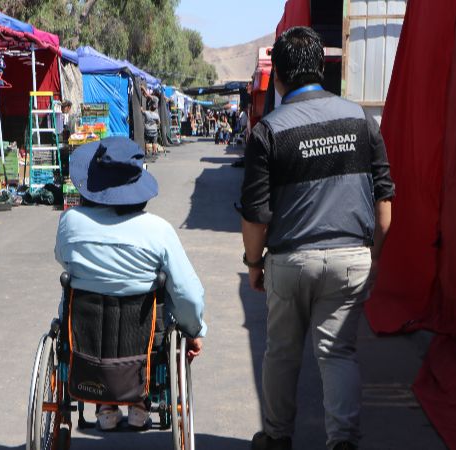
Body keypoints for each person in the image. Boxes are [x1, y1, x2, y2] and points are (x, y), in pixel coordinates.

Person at [240, 27, 394, 450]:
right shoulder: (361, 119)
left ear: (281, 79)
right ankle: (342, 442)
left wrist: (254, 263)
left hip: (291, 262)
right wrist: (374, 256)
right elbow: (384, 198)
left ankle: (275, 437)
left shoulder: (268, 131)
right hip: (351, 259)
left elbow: (255, 216)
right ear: (322, 69)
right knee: (338, 355)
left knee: (282, 354)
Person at [55, 136, 206, 430]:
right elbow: (187, 294)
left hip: (84, 334)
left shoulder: (70, 222)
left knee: (75, 290)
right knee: (162, 299)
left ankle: (105, 404)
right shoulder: (158, 231)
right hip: (143, 338)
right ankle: (139, 400)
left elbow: (63, 260)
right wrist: (194, 330)